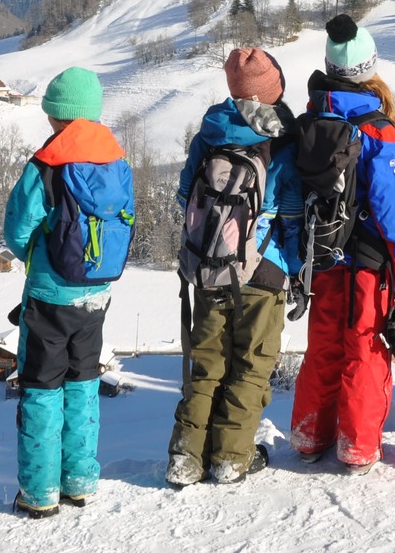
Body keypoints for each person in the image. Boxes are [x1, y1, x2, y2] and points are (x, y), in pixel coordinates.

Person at [289, 15, 395, 474]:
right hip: (368, 261)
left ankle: (310, 435)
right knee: (364, 349)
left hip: (322, 254)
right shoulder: (376, 127)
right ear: (369, 68)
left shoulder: (310, 116)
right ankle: (358, 446)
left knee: (323, 345)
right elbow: (393, 209)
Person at [167, 48, 303, 487]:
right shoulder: (283, 136)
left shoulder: (211, 130)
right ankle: (230, 458)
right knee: (252, 366)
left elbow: (185, 193)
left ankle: (185, 459)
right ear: (273, 88)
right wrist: (297, 269)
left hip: (211, 267)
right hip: (265, 271)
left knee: (206, 364)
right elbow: (294, 213)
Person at [4, 67, 134, 517]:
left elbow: (17, 228)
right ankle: (80, 481)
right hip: (96, 294)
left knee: (42, 389)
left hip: (49, 295)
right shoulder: (118, 161)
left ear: (57, 115)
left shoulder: (47, 163)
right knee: (83, 382)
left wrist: (35, 259)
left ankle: (39, 493)